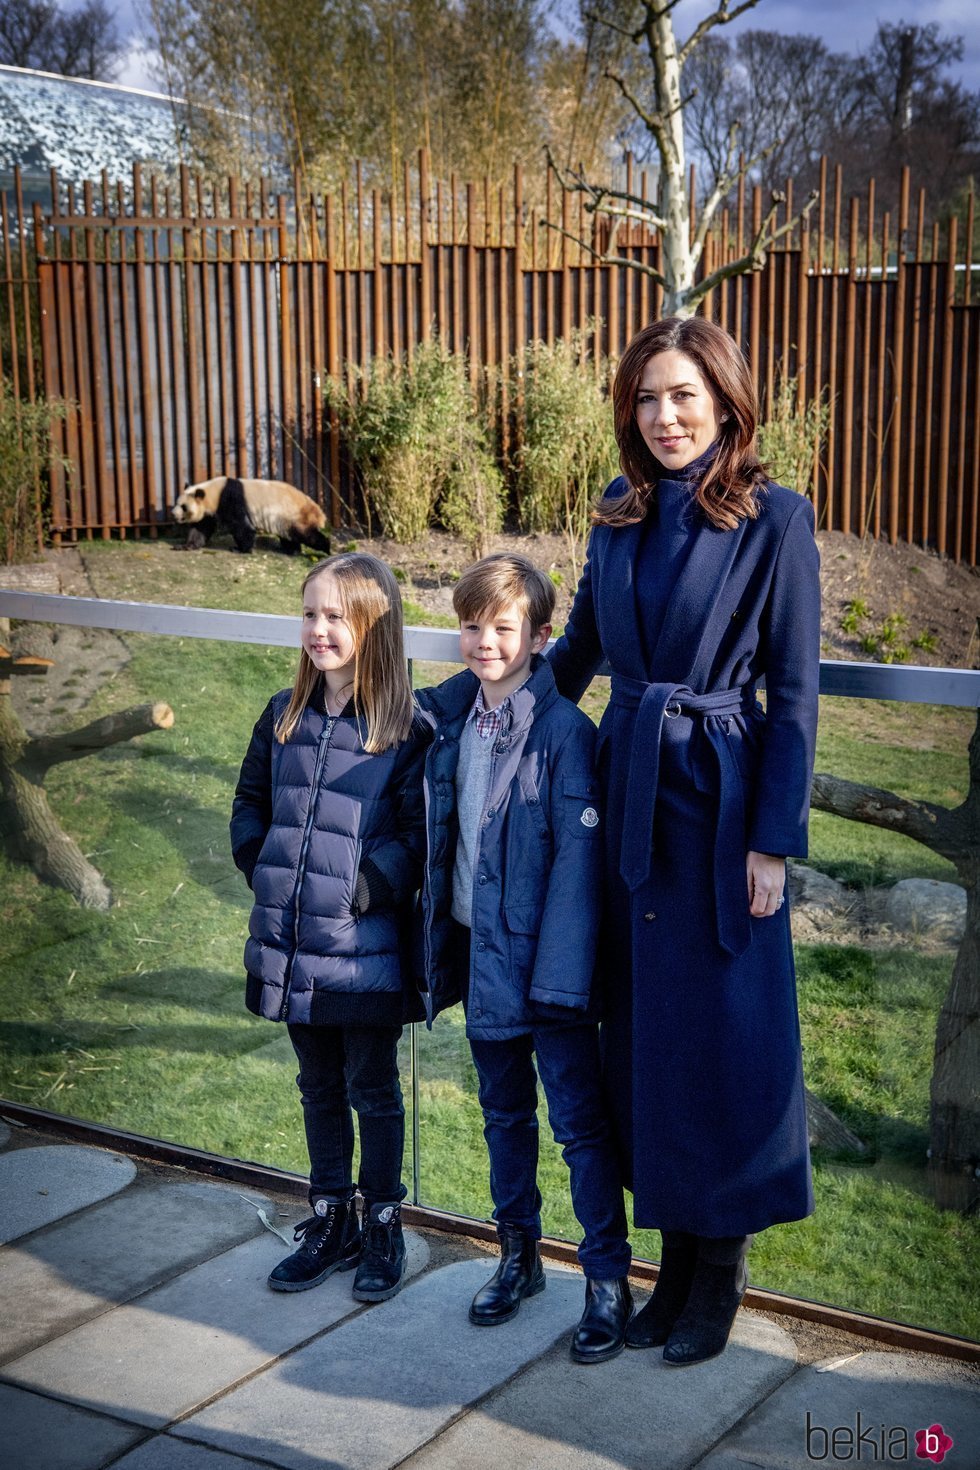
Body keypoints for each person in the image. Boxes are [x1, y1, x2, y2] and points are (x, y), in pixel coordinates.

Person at [549, 317, 821, 1367]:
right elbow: (572, 653)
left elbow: (793, 696)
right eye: (646, 398)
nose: (662, 417)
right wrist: (460, 708)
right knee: (648, 1045)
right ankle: (669, 1270)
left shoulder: (773, 520)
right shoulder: (613, 520)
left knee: (724, 1043)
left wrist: (771, 841)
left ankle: (719, 1275)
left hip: (718, 808)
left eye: (681, 396)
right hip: (629, 807)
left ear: (723, 402)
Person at [415, 553, 633, 1364]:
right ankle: (518, 1257)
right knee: (503, 1117)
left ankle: (607, 1278)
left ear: (541, 636)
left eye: (502, 629)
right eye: (471, 627)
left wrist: (563, 983)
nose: (484, 643)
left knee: (578, 1128)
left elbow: (579, 877)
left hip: (552, 973)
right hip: (481, 960)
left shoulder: (566, 736)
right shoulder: (452, 723)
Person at [231, 552, 426, 1304]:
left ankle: (382, 1225)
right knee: (317, 1087)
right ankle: (330, 1216)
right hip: (288, 948)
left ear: (374, 628)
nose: (319, 628)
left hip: (361, 955)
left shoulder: (403, 729)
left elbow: (415, 837)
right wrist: (263, 863)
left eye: (336, 615)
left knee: (372, 1089)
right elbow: (249, 804)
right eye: (310, 613)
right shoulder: (282, 715)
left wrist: (366, 889)